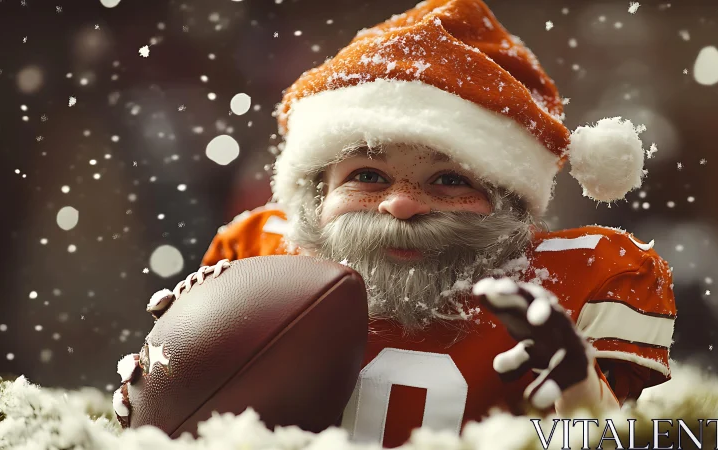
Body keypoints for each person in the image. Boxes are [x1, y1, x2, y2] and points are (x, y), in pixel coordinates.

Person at [201, 0, 676, 447]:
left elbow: (622, 435)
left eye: (449, 179)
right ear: (316, 192)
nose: (402, 205)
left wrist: (580, 389)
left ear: (509, 204)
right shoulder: (262, 262)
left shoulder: (574, 284)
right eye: (368, 175)